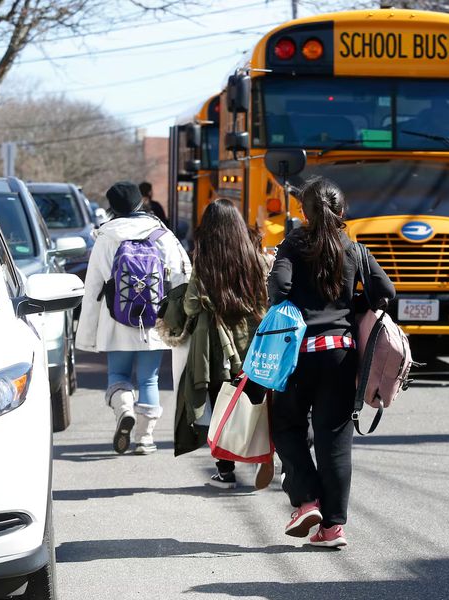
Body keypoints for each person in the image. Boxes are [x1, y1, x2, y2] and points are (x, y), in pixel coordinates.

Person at [268, 177, 395, 548]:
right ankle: (334, 528)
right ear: (342, 211)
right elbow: (385, 292)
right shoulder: (355, 249)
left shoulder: (292, 244)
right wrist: (349, 307)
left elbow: (279, 290)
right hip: (340, 354)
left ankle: (307, 500)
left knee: (286, 427)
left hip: (296, 356)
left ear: (302, 212)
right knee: (335, 441)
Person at [167, 199, 274, 489]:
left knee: (223, 405)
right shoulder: (254, 257)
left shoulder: (205, 263)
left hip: (214, 348)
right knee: (255, 401)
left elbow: (190, 307)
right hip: (253, 343)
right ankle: (260, 457)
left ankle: (226, 471)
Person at [77, 181, 191, 455]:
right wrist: (179, 317)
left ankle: (124, 409)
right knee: (149, 379)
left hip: (115, 319)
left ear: (112, 207)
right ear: (141, 203)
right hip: (154, 319)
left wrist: (87, 331)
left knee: (118, 374)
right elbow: (182, 275)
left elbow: (93, 286)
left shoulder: (105, 236)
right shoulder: (161, 235)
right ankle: (145, 438)